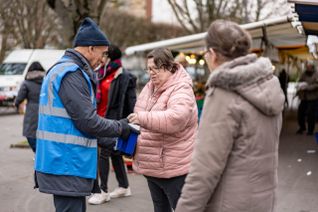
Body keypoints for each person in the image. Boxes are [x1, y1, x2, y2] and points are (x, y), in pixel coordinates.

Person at [175, 20, 285, 212]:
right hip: (262, 200)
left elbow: (205, 168)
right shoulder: (269, 83)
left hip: (229, 203)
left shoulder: (224, 92)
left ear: (213, 54)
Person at [34, 17, 132, 212]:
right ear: (90, 48)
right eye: (103, 53)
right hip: (66, 163)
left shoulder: (64, 70)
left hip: (63, 161)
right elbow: (87, 121)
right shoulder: (72, 74)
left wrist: (111, 142)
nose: (103, 59)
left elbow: (76, 123)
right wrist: (121, 127)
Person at [127, 48, 198, 212]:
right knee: (160, 208)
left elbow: (176, 118)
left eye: (155, 69)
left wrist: (143, 118)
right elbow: (139, 112)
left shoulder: (181, 88)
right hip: (153, 165)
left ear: (168, 67)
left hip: (174, 168)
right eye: (149, 69)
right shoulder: (150, 87)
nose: (151, 73)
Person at [88, 44, 137, 205]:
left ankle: (102, 191)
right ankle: (124, 186)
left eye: (104, 55)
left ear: (110, 57)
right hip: (100, 118)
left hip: (114, 121)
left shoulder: (124, 76)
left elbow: (131, 102)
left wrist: (130, 123)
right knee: (115, 154)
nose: (101, 58)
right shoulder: (101, 73)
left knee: (104, 152)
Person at [15, 62, 45, 153]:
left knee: (30, 134)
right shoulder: (47, 80)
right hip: (46, 110)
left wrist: (16, 104)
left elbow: (20, 98)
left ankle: (38, 153)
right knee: (44, 134)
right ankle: (42, 154)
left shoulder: (26, 83)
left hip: (32, 112)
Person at [296, 61, 318, 135]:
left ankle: (310, 130)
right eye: (307, 66)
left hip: (313, 97)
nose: (307, 67)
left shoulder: (316, 74)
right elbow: (300, 80)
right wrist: (300, 85)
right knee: (300, 113)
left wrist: (307, 87)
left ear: (312, 67)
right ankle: (302, 127)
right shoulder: (304, 73)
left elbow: (316, 84)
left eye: (309, 66)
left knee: (311, 114)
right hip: (304, 97)